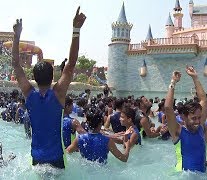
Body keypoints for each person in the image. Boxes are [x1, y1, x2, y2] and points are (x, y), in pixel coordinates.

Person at [12, 7, 86, 169]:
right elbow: (71, 65)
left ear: (35, 79)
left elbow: (16, 66)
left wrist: (16, 36)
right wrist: (76, 30)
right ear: (52, 77)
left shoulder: (29, 94)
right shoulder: (58, 94)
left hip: (36, 158)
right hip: (57, 158)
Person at [164, 66, 207, 173]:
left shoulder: (200, 126)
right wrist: (173, 82)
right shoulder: (178, 131)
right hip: (182, 176)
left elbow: (203, 99)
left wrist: (195, 78)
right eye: (193, 118)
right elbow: (168, 108)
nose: (198, 121)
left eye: (199, 117)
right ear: (183, 116)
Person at [66, 108, 131, 163]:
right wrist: (128, 146)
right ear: (100, 123)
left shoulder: (80, 139)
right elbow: (124, 159)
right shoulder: (107, 141)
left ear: (87, 123)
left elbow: (67, 152)